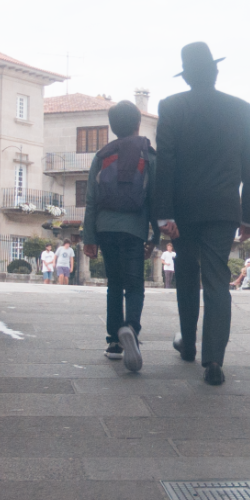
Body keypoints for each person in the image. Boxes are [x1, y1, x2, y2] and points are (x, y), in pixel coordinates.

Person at [155, 42, 250, 386]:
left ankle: (188, 343)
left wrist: (163, 212)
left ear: (186, 77)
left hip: (183, 210)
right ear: (215, 72)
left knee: (186, 274)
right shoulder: (240, 109)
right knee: (217, 279)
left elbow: (165, 162)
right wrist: (248, 216)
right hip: (222, 209)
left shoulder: (171, 107)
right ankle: (213, 358)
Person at [83, 100, 159, 373]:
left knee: (113, 284)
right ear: (138, 124)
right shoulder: (148, 156)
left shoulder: (102, 155)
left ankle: (115, 343)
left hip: (105, 228)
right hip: (134, 230)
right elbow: (155, 200)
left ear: (112, 127)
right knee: (135, 284)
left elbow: (91, 200)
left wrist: (88, 237)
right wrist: (156, 237)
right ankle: (132, 330)